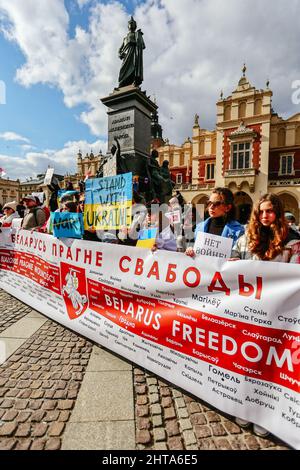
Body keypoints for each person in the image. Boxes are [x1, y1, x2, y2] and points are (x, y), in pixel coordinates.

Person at [231, 194, 300, 436]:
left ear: (278, 212)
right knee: (246, 360)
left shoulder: (293, 242)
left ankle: (266, 414)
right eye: (260, 212)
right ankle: (245, 406)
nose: (264, 216)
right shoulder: (245, 240)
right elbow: (228, 266)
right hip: (248, 313)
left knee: (271, 364)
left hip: (278, 315)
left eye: (269, 211)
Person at [185, 187, 244, 257]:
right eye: (209, 203)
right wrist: (190, 250)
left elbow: (242, 256)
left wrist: (236, 259)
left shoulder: (238, 231)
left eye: (217, 203)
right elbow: (195, 248)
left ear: (228, 208)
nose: (211, 206)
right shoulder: (199, 227)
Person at [118, 16, 145, 88]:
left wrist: (139, 36)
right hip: (126, 55)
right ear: (128, 26)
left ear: (135, 26)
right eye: (130, 23)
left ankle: (134, 82)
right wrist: (119, 53)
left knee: (133, 67)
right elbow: (120, 48)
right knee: (122, 70)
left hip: (134, 53)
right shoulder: (125, 38)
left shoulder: (136, 34)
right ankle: (122, 84)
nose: (132, 25)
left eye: (133, 23)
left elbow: (142, 46)